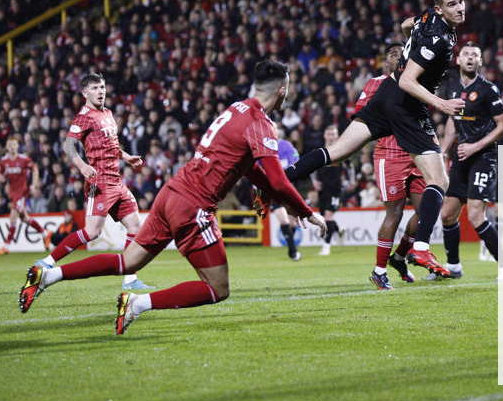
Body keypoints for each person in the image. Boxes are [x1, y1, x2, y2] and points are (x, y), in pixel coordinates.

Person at [19, 60, 326, 334]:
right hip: (194, 206)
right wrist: (307, 210)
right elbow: (276, 179)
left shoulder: (236, 108)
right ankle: (137, 303)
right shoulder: (260, 123)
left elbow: (249, 169)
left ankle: (49, 275)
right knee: (217, 288)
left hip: (172, 192)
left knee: (129, 261)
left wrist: (284, 200)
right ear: (282, 89)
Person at [286, 0, 467, 277]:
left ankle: (282, 178)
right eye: (452, 4)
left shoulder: (427, 19)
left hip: (385, 95)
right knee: (440, 180)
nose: (459, 8)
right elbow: (409, 81)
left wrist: (411, 41)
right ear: (439, 8)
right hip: (405, 105)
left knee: (337, 152)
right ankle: (420, 246)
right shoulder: (439, 39)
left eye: (460, 1)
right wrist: (442, 104)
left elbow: (406, 24)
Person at [33, 72, 152, 291]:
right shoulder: (84, 116)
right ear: (85, 92)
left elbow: (113, 146)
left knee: (135, 227)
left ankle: (130, 279)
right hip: (100, 183)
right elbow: (68, 146)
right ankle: (47, 262)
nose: (101, 92)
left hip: (117, 181)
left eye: (103, 87)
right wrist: (82, 166)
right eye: (95, 88)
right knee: (92, 232)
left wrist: (127, 157)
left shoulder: (107, 113)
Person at [435, 43, 503, 281]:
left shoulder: (488, 89)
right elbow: (453, 121)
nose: (470, 58)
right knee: (448, 214)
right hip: (462, 156)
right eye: (466, 54)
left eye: (475, 55)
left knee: (475, 214)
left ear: (480, 62)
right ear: (459, 60)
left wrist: (475, 146)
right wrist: (442, 151)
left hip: (484, 156)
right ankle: (453, 267)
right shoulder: (452, 88)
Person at [354, 44, 423, 289]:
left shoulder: (415, 81)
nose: (398, 56)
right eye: (393, 53)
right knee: (394, 213)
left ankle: (400, 256)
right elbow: (360, 115)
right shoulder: (375, 83)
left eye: (400, 53)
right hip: (389, 154)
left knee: (427, 212)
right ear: (385, 61)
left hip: (416, 152)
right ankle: (379, 271)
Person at [0, 137, 45, 255]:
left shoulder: (24, 159)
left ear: (17, 146)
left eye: (14, 145)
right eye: (10, 145)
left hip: (22, 191)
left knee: (13, 216)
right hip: (12, 193)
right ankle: (45, 234)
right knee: (24, 218)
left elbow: (35, 169)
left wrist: (34, 184)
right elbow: (0, 175)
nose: (12, 147)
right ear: (7, 147)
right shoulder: (3, 161)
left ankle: (6, 246)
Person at [314, 126, 349, 256]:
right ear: (325, 135)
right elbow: (313, 168)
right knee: (325, 217)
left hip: (336, 190)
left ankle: (326, 246)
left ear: (337, 136)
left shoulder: (342, 150)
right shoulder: (320, 151)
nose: (331, 136)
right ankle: (339, 230)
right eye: (329, 134)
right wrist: (315, 182)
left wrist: (349, 182)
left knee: (328, 216)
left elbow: (349, 167)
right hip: (323, 190)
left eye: (333, 134)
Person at [273, 126, 303, 261]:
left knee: (292, 223)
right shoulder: (263, 148)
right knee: (283, 218)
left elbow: (296, 163)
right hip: (273, 190)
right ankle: (293, 251)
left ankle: (291, 247)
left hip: (289, 188)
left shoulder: (286, 146)